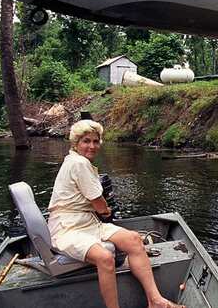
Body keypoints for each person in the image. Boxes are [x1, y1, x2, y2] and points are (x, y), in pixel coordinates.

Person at [48, 119, 183, 308]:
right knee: (105, 258)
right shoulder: (79, 163)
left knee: (134, 240)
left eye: (96, 141)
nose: (92, 146)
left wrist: (102, 212)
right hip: (67, 228)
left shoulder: (77, 160)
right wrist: (106, 211)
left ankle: (155, 301)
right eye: (86, 141)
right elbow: (99, 204)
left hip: (87, 222)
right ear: (75, 143)